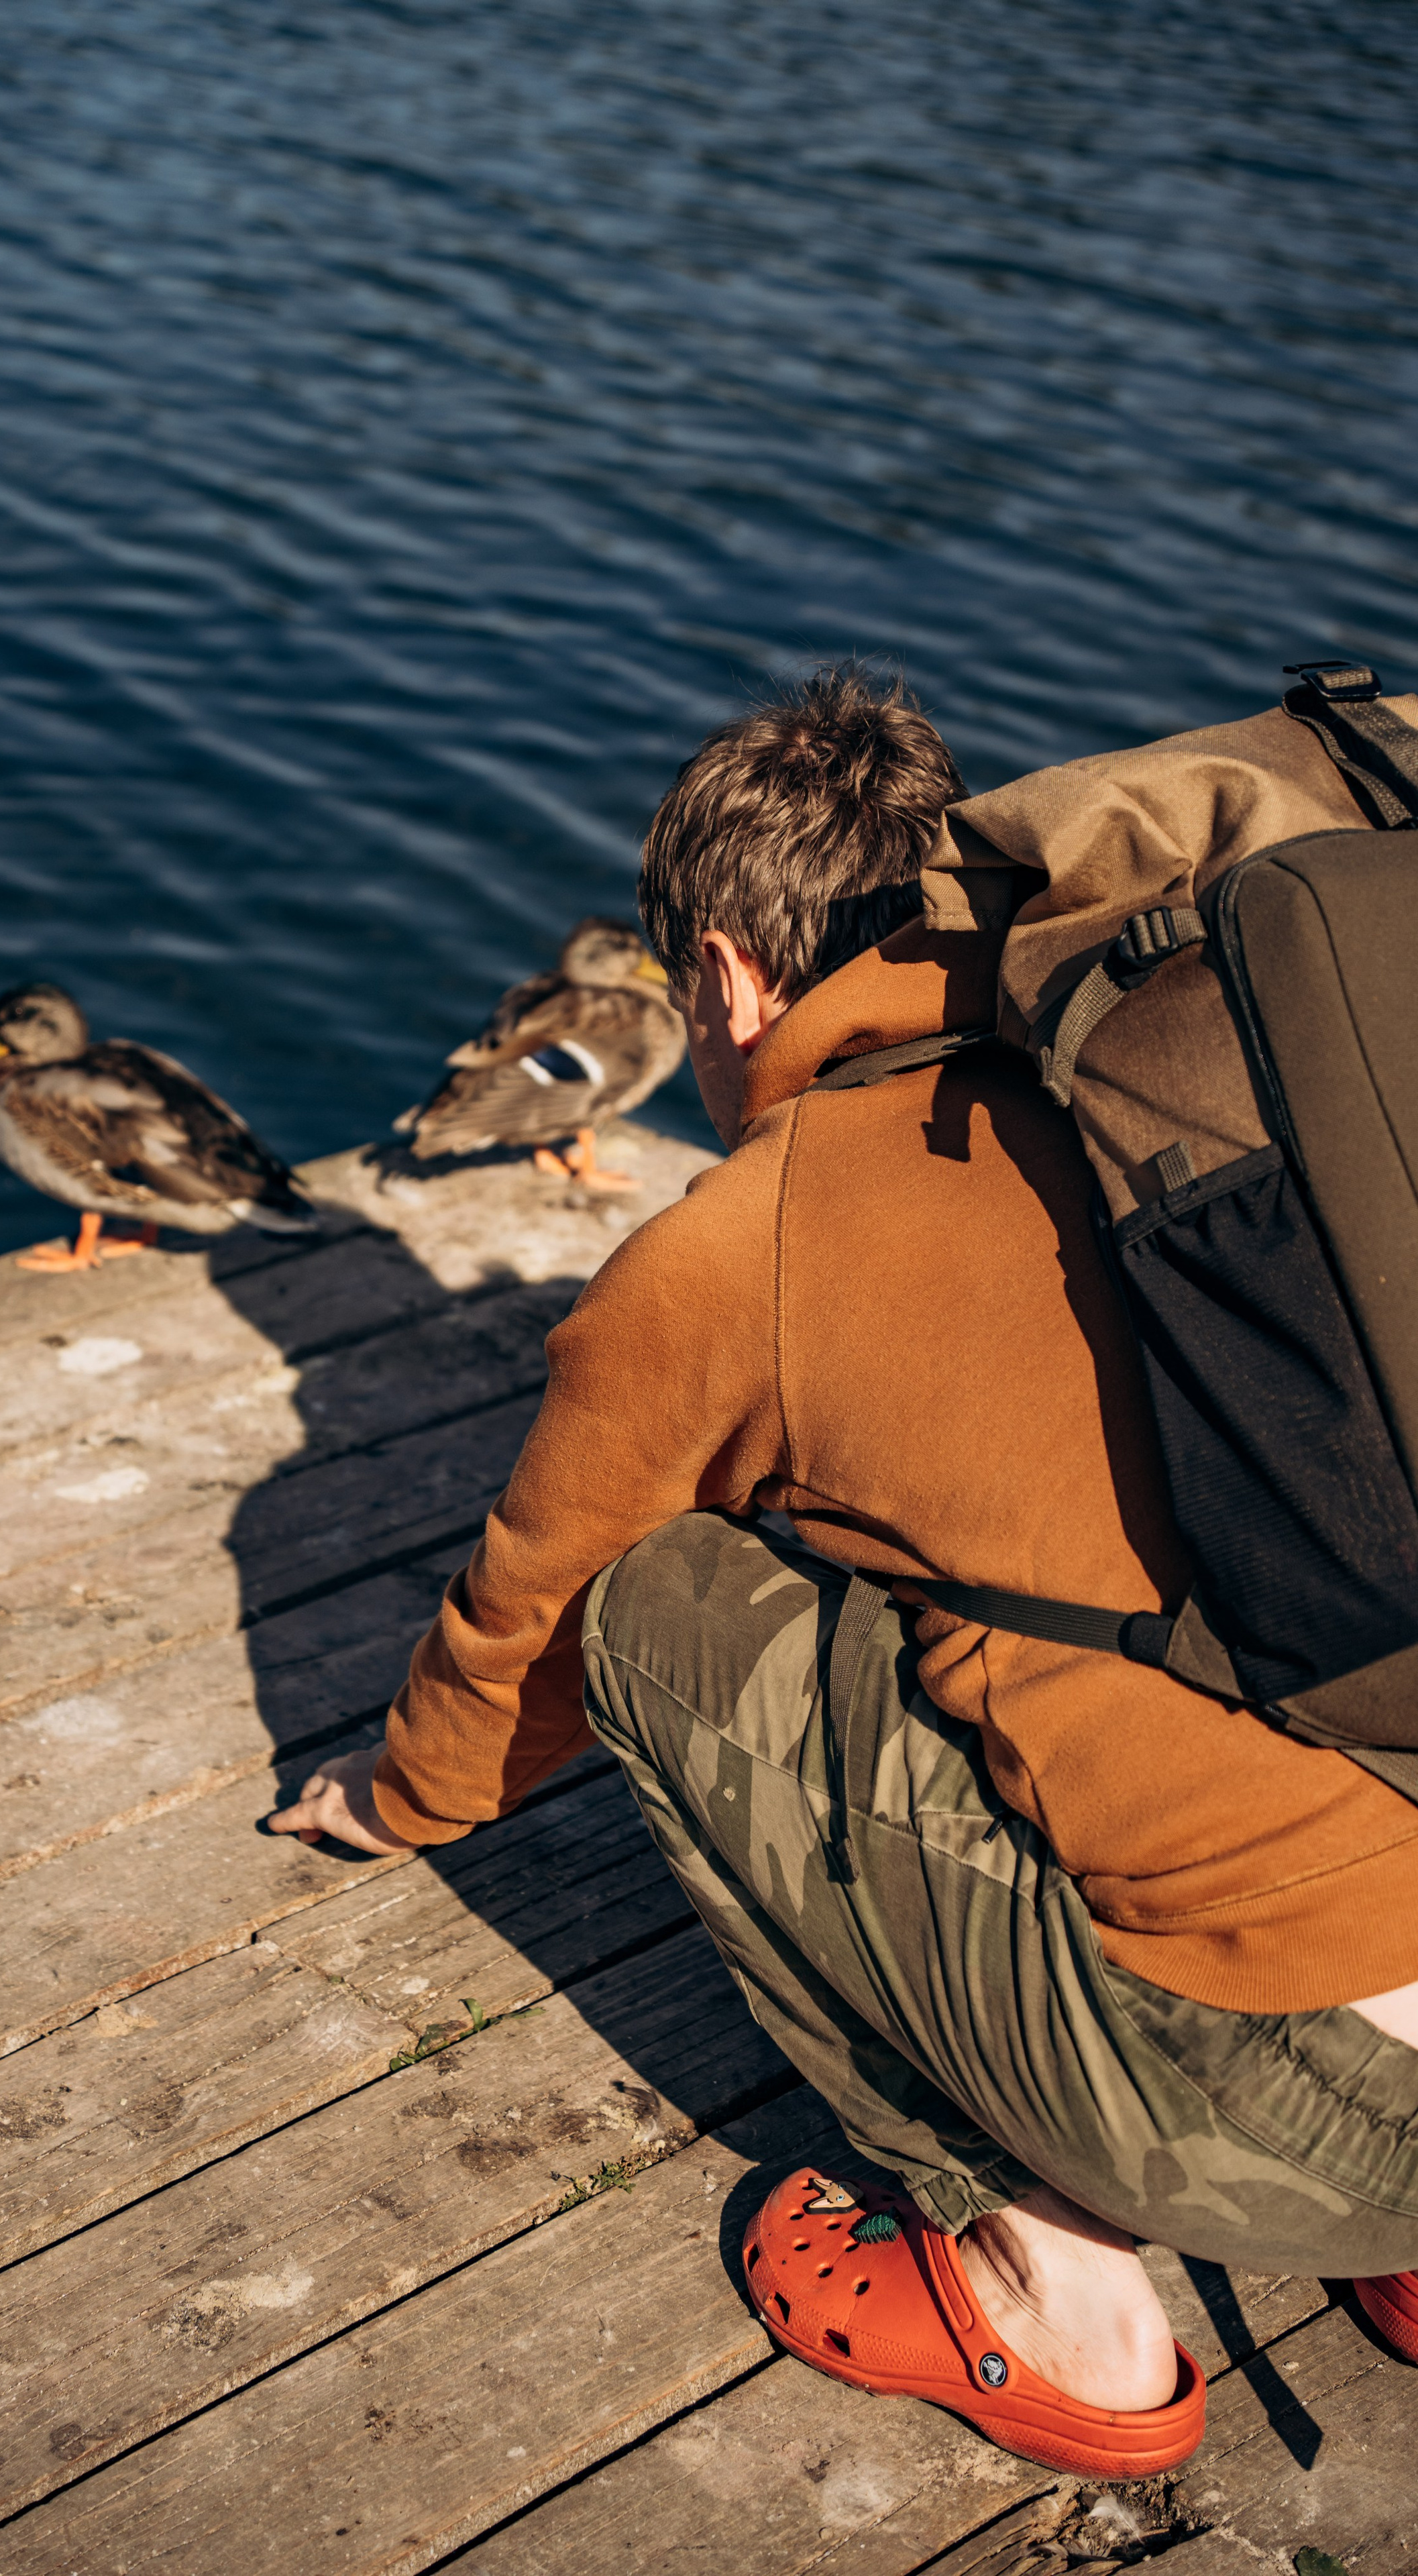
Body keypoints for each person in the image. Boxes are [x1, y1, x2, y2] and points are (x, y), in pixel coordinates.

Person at [270, 667, 1418, 2472]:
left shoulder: (758, 1231)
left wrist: (388, 1799)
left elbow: (533, 1628)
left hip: (1317, 2113)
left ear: (725, 978)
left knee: (661, 1610)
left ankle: (1068, 2305)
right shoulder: (1202, 1079)